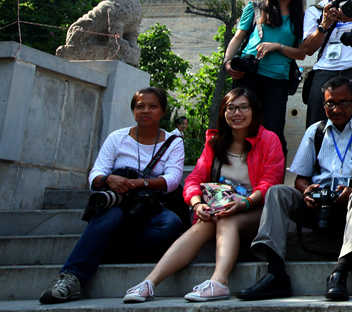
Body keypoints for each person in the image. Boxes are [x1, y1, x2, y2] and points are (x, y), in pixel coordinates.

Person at [236, 76, 352, 302]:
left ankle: (341, 271)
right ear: (324, 105)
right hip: (318, 202)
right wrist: (307, 190)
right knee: (277, 192)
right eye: (330, 103)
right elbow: (300, 178)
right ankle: (275, 272)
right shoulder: (316, 131)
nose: (336, 109)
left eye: (342, 103)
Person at [122, 88, 284, 302]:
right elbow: (193, 179)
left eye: (244, 107)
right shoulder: (215, 143)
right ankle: (150, 283)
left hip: (256, 211)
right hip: (219, 210)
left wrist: (244, 203)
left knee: (227, 219)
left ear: (254, 111)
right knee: (203, 225)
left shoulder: (269, 140)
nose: (237, 113)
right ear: (223, 113)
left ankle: (219, 282)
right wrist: (197, 204)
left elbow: (269, 183)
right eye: (231, 108)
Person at [39, 88, 185, 304]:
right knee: (109, 217)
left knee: (171, 224)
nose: (145, 110)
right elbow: (96, 173)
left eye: (152, 106)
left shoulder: (173, 141)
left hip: (151, 207)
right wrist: (109, 180)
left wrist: (139, 183)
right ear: (133, 110)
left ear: (162, 111)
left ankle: (106, 245)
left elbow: (173, 180)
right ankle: (71, 279)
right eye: (140, 106)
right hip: (117, 203)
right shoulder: (117, 138)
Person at [224, 0, 312, 155]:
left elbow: (301, 53)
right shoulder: (255, 9)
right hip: (248, 76)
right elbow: (238, 37)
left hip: (277, 81)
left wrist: (277, 47)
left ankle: (272, 181)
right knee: (240, 128)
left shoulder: (302, 18)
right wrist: (228, 62)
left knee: (273, 133)